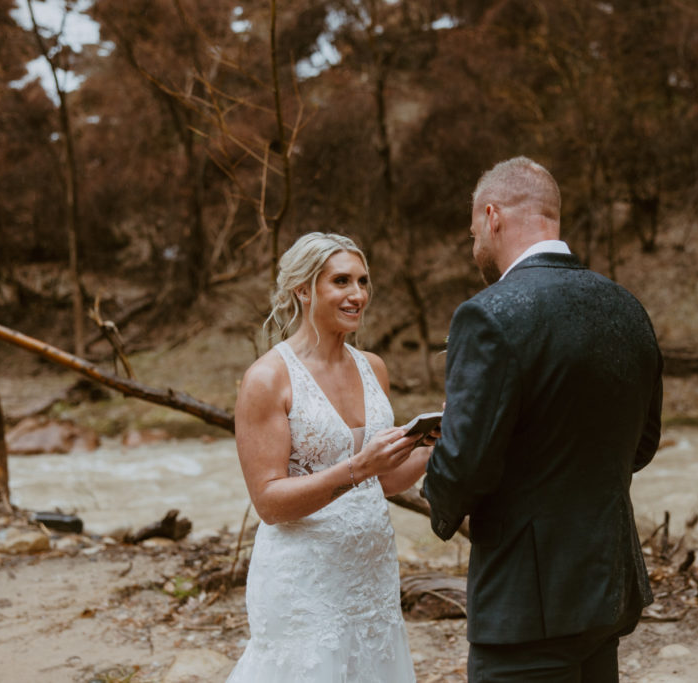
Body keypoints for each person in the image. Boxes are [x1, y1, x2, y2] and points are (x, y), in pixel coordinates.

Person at [422, 157, 663, 682]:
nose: (474, 249)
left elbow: (463, 465)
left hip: (525, 606)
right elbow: (642, 444)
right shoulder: (627, 308)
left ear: (493, 217)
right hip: (607, 588)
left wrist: (436, 486)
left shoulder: (488, 314)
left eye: (472, 234)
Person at [228, 232, 434, 682]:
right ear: (303, 289)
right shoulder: (267, 379)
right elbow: (269, 502)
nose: (357, 295)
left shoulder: (372, 366)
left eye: (363, 282)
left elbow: (387, 481)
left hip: (371, 576)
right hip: (305, 581)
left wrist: (434, 444)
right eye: (341, 281)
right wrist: (360, 465)